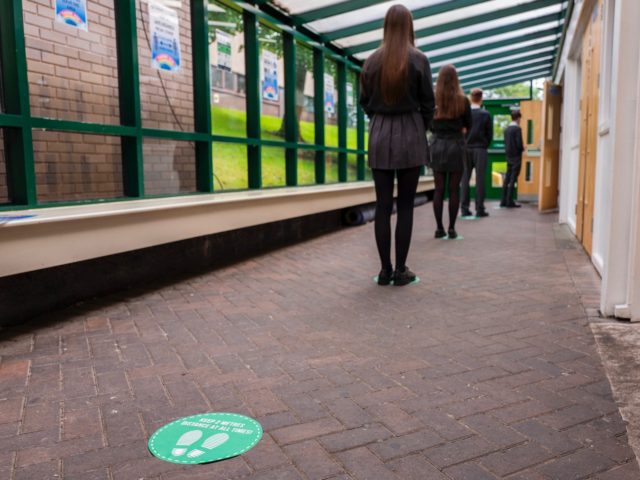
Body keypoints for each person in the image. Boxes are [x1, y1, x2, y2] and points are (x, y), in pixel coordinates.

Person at [360, 4, 435, 286]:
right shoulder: (419, 59)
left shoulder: (371, 61)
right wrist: (418, 127)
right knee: (405, 206)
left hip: (379, 133)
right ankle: (401, 269)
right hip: (411, 134)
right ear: (409, 26)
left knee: (382, 205)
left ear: (386, 26)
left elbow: (365, 103)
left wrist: (380, 120)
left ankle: (384, 270)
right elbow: (429, 104)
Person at [429, 64, 471, 239]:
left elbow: (428, 124)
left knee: (438, 189)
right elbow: (469, 125)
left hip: (437, 145)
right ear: (456, 79)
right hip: (456, 145)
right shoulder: (463, 100)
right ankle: (452, 228)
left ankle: (439, 228)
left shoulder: (433, 99)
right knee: (454, 189)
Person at [461, 88, 492, 217]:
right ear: (481, 98)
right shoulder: (485, 114)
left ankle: (464, 208)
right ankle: (480, 209)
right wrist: (484, 145)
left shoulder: (464, 114)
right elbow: (489, 134)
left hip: (466, 148)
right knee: (480, 180)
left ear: (470, 97)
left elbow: (461, 131)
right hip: (480, 149)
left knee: (465, 179)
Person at [501, 110, 524, 208]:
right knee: (513, 178)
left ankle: (503, 201)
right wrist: (523, 148)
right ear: (518, 118)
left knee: (507, 179)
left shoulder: (506, 129)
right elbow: (519, 144)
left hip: (508, 156)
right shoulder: (517, 129)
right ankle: (510, 201)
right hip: (516, 156)